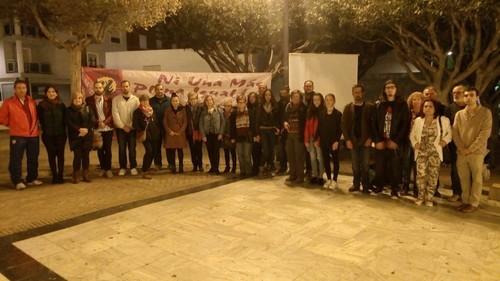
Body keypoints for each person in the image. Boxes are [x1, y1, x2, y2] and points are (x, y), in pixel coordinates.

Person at [453, 87, 492, 213]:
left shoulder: (485, 113)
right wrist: (461, 148)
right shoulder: (459, 114)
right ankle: (465, 201)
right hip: (461, 152)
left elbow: (485, 133)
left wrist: (470, 149)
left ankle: (474, 203)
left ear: (477, 97)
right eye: (466, 95)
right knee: (463, 177)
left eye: (471, 95)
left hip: (476, 152)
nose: (468, 98)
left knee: (476, 178)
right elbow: (455, 133)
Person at [0, 79, 42, 190]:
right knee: (16, 158)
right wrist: (14, 125)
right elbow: (2, 118)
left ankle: (31, 178)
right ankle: (17, 180)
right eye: (19, 88)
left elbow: (36, 116)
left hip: (33, 134)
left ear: (26, 89)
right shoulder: (8, 102)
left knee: (33, 157)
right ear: (14, 89)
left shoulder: (31, 101)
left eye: (23, 88)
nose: (21, 90)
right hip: (18, 135)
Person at [371, 80, 410, 199]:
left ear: (396, 89)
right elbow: (374, 123)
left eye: (392, 87)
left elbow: (405, 124)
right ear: (384, 90)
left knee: (395, 167)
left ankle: (394, 189)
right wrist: (377, 140)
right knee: (380, 166)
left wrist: (396, 141)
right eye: (387, 87)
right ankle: (379, 187)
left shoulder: (402, 105)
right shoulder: (378, 104)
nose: (389, 89)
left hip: (394, 141)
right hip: (381, 141)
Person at [410, 99, 452, 206]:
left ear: (435, 108)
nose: (427, 108)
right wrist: (415, 143)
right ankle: (420, 197)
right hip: (421, 152)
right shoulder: (418, 120)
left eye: (430, 106)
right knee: (421, 175)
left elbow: (449, 134)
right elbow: (412, 135)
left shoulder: (443, 120)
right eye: (425, 106)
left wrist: (444, 141)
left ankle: (429, 198)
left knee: (433, 176)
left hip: (435, 152)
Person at [342, 84, 373, 193]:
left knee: (365, 165)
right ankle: (355, 185)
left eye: (359, 92)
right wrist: (347, 140)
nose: (357, 94)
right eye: (355, 92)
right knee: (355, 165)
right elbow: (344, 125)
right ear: (352, 93)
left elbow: (373, 125)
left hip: (366, 141)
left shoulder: (369, 107)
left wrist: (370, 138)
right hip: (353, 141)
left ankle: (365, 186)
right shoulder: (348, 108)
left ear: (363, 93)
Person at [37, 86, 66, 184]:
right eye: (49, 92)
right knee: (51, 156)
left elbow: (65, 120)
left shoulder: (61, 105)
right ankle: (54, 176)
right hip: (48, 135)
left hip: (61, 135)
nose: (51, 93)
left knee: (61, 156)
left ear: (56, 93)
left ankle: (61, 175)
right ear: (46, 94)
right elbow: (40, 120)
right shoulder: (41, 105)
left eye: (53, 91)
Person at [86, 81, 114, 178]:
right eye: (96, 87)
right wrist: (98, 123)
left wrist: (105, 122)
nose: (98, 89)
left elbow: (111, 113)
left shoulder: (109, 99)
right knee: (100, 150)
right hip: (97, 128)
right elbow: (90, 114)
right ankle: (103, 168)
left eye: (100, 87)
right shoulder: (89, 100)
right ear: (94, 88)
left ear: (103, 89)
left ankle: (108, 169)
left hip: (108, 128)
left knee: (108, 149)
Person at [112, 80, 140, 176]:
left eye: (127, 86)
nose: (125, 88)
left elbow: (137, 115)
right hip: (121, 129)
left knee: (132, 149)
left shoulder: (135, 100)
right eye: (123, 86)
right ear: (121, 88)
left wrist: (131, 126)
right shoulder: (116, 99)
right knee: (122, 149)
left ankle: (133, 167)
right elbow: (115, 114)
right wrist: (123, 126)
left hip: (132, 129)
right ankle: (122, 167)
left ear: (130, 87)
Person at [66, 92, 95, 184]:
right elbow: (68, 122)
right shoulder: (68, 110)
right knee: (77, 156)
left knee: (86, 156)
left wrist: (86, 129)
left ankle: (86, 174)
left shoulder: (88, 108)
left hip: (87, 135)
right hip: (75, 136)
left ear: (82, 99)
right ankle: (76, 175)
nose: (78, 100)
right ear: (72, 100)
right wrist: (79, 129)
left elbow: (92, 120)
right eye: (76, 98)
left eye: (80, 98)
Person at [444, 85, 466, 202]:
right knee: (455, 170)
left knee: (470, 171)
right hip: (455, 145)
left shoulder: (472, 107)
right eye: (454, 93)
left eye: (459, 92)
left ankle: (467, 195)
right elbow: (448, 127)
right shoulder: (449, 108)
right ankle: (456, 192)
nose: (456, 95)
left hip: (470, 145)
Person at [402, 91, 424, 196]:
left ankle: (416, 188)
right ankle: (405, 187)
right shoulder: (407, 112)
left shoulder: (424, 113)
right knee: (406, 165)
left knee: (417, 166)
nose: (416, 101)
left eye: (419, 99)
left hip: (419, 144)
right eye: (414, 99)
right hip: (407, 143)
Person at [133, 94, 161, 179]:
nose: (145, 102)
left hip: (154, 134)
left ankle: (147, 168)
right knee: (149, 151)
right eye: (143, 101)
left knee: (154, 152)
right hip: (145, 135)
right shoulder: (137, 111)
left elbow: (156, 121)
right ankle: (144, 170)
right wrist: (141, 130)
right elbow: (135, 124)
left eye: (146, 100)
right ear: (140, 101)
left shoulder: (152, 110)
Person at [319, 93, 342, 189]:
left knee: (335, 160)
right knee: (326, 160)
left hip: (334, 142)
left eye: (330, 100)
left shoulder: (338, 114)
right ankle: (328, 179)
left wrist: (337, 141)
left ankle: (335, 180)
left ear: (334, 101)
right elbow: (320, 128)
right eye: (327, 100)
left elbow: (340, 129)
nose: (328, 102)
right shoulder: (321, 113)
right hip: (324, 141)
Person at [284, 90, 307, 185]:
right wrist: (284, 122)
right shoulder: (288, 106)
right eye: (293, 97)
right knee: (291, 155)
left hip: (299, 135)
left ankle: (300, 176)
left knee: (299, 156)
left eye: (297, 96)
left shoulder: (303, 107)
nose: (295, 98)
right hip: (289, 135)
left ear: (300, 97)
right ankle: (292, 175)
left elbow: (305, 122)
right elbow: (284, 118)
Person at [256, 89, 279, 176]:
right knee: (265, 151)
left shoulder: (275, 106)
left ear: (271, 96)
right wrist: (257, 133)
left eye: (269, 95)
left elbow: (277, 119)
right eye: (266, 95)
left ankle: (270, 167)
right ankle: (261, 167)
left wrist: (277, 128)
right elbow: (257, 120)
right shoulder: (260, 106)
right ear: (264, 96)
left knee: (272, 151)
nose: (268, 96)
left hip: (272, 130)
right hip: (263, 130)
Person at [200, 95, 224, 174]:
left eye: (210, 100)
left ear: (213, 101)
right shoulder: (203, 112)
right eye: (207, 100)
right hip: (208, 135)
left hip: (216, 134)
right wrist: (203, 135)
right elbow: (201, 124)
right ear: (205, 102)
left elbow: (223, 122)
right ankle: (212, 167)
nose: (209, 102)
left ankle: (216, 168)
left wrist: (221, 133)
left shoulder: (219, 111)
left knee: (216, 151)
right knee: (210, 151)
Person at [304, 93, 325, 185]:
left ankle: (320, 176)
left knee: (320, 157)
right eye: (314, 100)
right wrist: (306, 140)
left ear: (321, 101)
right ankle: (314, 175)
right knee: (312, 158)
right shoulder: (310, 111)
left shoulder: (324, 111)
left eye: (318, 100)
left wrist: (318, 140)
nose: (316, 101)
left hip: (319, 138)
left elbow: (323, 128)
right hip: (311, 138)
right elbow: (307, 127)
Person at [164, 94, 188, 173]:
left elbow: (185, 122)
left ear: (179, 101)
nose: (175, 102)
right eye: (173, 101)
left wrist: (180, 131)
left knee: (180, 151)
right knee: (172, 151)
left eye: (176, 101)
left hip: (180, 134)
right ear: (171, 102)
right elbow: (164, 122)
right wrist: (169, 131)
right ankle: (173, 167)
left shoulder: (183, 110)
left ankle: (181, 167)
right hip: (171, 134)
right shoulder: (167, 110)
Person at [230, 95, 253, 177]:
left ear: (245, 102)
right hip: (238, 137)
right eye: (239, 102)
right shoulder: (234, 113)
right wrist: (232, 137)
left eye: (243, 102)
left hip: (247, 136)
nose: (241, 104)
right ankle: (242, 171)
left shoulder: (250, 112)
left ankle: (249, 171)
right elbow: (232, 126)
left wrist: (254, 135)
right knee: (240, 155)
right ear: (237, 103)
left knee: (247, 155)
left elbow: (253, 125)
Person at [149, 83, 171, 170]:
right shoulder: (150, 101)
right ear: (155, 90)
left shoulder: (169, 101)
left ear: (164, 90)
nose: (159, 91)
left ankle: (171, 163)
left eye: (161, 89)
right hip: (155, 128)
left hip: (167, 128)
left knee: (169, 146)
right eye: (157, 89)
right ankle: (158, 164)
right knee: (156, 147)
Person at [186, 92, 204, 172]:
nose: (193, 100)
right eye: (191, 99)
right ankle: (195, 165)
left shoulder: (201, 107)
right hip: (190, 131)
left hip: (198, 131)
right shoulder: (186, 108)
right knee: (192, 149)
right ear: (189, 100)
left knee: (199, 149)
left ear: (197, 99)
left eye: (194, 99)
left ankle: (200, 165)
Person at [276, 86, 290, 175]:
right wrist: (279, 128)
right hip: (280, 130)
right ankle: (282, 167)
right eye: (281, 93)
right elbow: (277, 117)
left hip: (289, 129)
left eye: (284, 93)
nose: (283, 94)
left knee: (289, 150)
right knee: (281, 150)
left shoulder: (290, 103)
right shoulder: (278, 103)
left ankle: (290, 167)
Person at [303, 80, 315, 178]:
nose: (308, 87)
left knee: (313, 152)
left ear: (312, 87)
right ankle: (308, 170)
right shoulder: (301, 97)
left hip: (312, 127)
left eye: (309, 86)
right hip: (302, 127)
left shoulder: (316, 97)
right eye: (306, 86)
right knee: (306, 151)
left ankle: (313, 171)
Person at [247, 92, 261, 176]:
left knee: (257, 151)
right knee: (252, 151)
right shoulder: (247, 107)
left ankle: (257, 168)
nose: (251, 98)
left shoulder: (259, 107)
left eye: (253, 97)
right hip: (250, 133)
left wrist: (258, 134)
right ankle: (254, 168)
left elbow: (258, 121)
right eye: (250, 97)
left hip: (257, 133)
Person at [222, 98, 237, 174]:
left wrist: (234, 137)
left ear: (231, 106)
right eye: (226, 106)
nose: (227, 107)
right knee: (226, 153)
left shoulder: (234, 114)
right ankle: (227, 166)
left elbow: (235, 126)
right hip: (225, 136)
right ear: (224, 106)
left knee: (233, 152)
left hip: (231, 136)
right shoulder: (222, 114)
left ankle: (234, 167)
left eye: (229, 106)